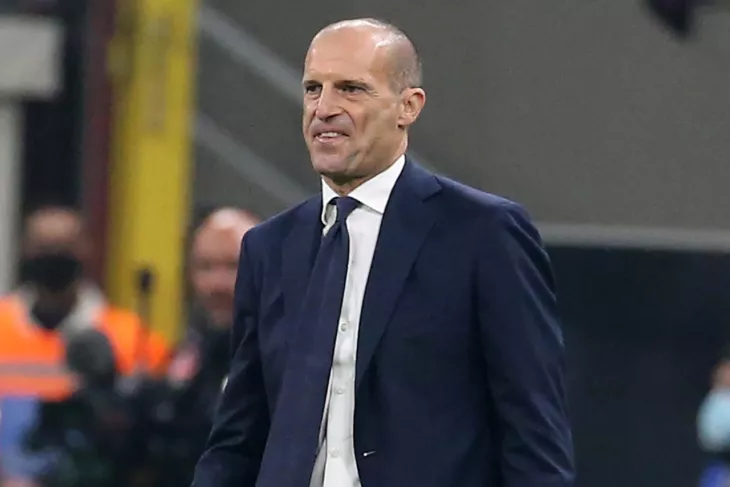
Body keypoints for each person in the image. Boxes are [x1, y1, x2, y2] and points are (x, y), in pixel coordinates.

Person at [192, 18, 575, 487]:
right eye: (313, 89)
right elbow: (238, 437)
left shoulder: (483, 233)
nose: (323, 109)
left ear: (408, 106)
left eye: (350, 89)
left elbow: (534, 433)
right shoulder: (268, 247)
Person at [0, 205, 170, 487]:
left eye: (63, 247)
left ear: (86, 251)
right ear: (24, 251)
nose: (53, 257)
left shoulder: (133, 339)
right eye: (44, 247)